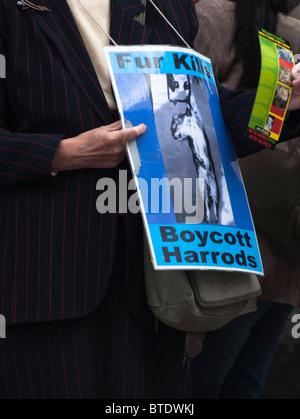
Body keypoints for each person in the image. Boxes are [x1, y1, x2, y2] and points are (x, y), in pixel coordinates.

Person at [1, 0, 300, 400]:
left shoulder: (165, 6)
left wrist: (282, 102)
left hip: (152, 281)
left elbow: (199, 116)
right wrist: (62, 153)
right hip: (46, 271)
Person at [187, 0, 300, 399]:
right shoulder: (290, 27)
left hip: (230, 247)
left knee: (200, 383)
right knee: (245, 384)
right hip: (287, 242)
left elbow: (182, 110)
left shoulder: (213, 17)